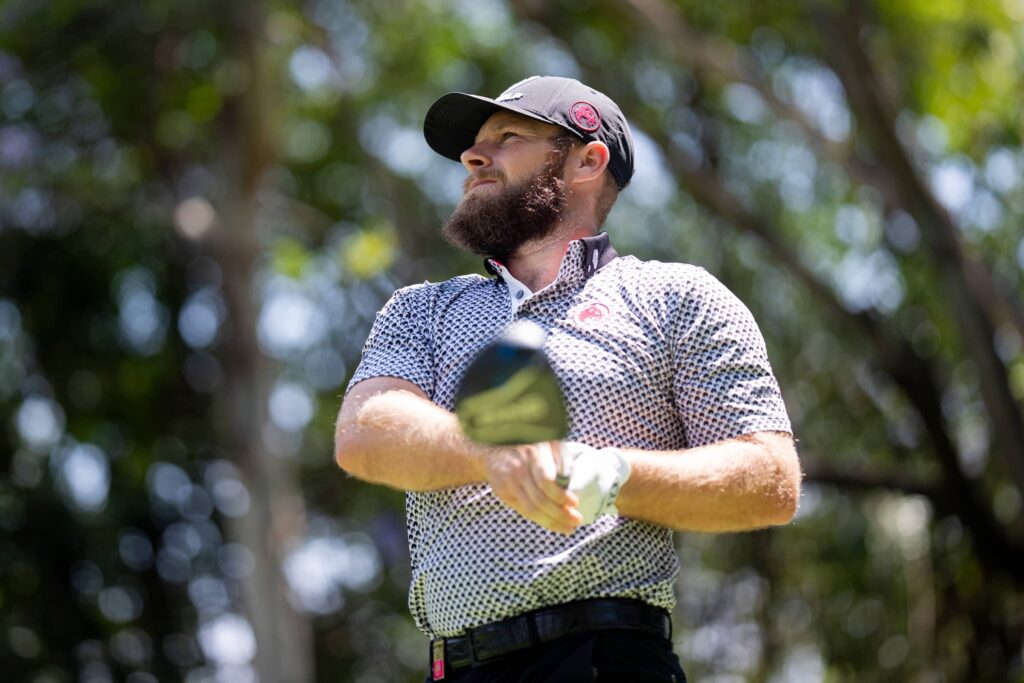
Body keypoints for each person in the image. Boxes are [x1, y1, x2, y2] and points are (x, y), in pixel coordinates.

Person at [334, 75, 802, 682]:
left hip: (608, 660)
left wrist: (610, 475)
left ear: (587, 161)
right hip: (454, 668)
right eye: (475, 144)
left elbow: (770, 479)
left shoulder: (676, 297)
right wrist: (495, 452)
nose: (473, 155)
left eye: (507, 136)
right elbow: (365, 432)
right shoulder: (421, 308)